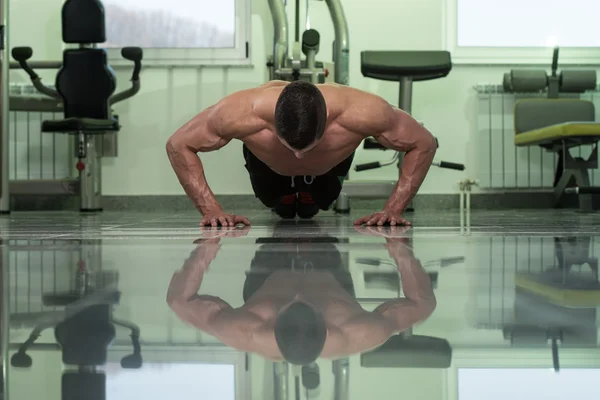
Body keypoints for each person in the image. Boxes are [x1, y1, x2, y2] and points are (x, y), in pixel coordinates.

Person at [166, 80, 437, 227]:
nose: (299, 156)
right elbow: (178, 144)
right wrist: (210, 210)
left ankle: (306, 195)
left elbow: (424, 143)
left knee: (315, 204)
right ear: (273, 124)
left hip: (327, 168)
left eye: (308, 147)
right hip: (270, 167)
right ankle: (286, 196)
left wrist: (394, 209)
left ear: (328, 122)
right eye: (290, 146)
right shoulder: (239, 112)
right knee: (278, 204)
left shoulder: (364, 111)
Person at [166, 225, 436, 365]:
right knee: (316, 211)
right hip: (329, 277)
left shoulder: (245, 331)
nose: (297, 296)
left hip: (268, 278)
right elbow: (422, 303)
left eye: (295, 304)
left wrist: (206, 249)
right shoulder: (359, 332)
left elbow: (179, 300)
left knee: (282, 210)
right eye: (301, 304)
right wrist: (401, 251)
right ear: (326, 325)